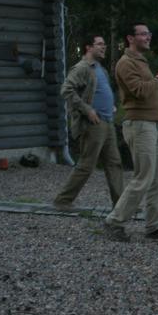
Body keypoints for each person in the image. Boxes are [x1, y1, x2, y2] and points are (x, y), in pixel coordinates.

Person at [103, 22, 158, 242]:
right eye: (143, 34)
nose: (148, 37)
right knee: (143, 177)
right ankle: (114, 222)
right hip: (139, 125)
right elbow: (140, 91)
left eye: (149, 33)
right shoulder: (125, 63)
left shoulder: (140, 61)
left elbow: (149, 87)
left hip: (152, 124)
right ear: (130, 38)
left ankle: (155, 225)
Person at [54, 34, 123, 211]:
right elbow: (66, 90)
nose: (104, 47)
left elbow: (99, 92)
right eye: (99, 44)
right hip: (93, 125)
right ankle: (62, 201)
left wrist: (111, 105)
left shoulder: (101, 69)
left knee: (114, 163)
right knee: (86, 165)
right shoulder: (82, 68)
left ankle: (121, 204)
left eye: (104, 44)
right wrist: (87, 110)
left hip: (108, 122)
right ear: (88, 47)